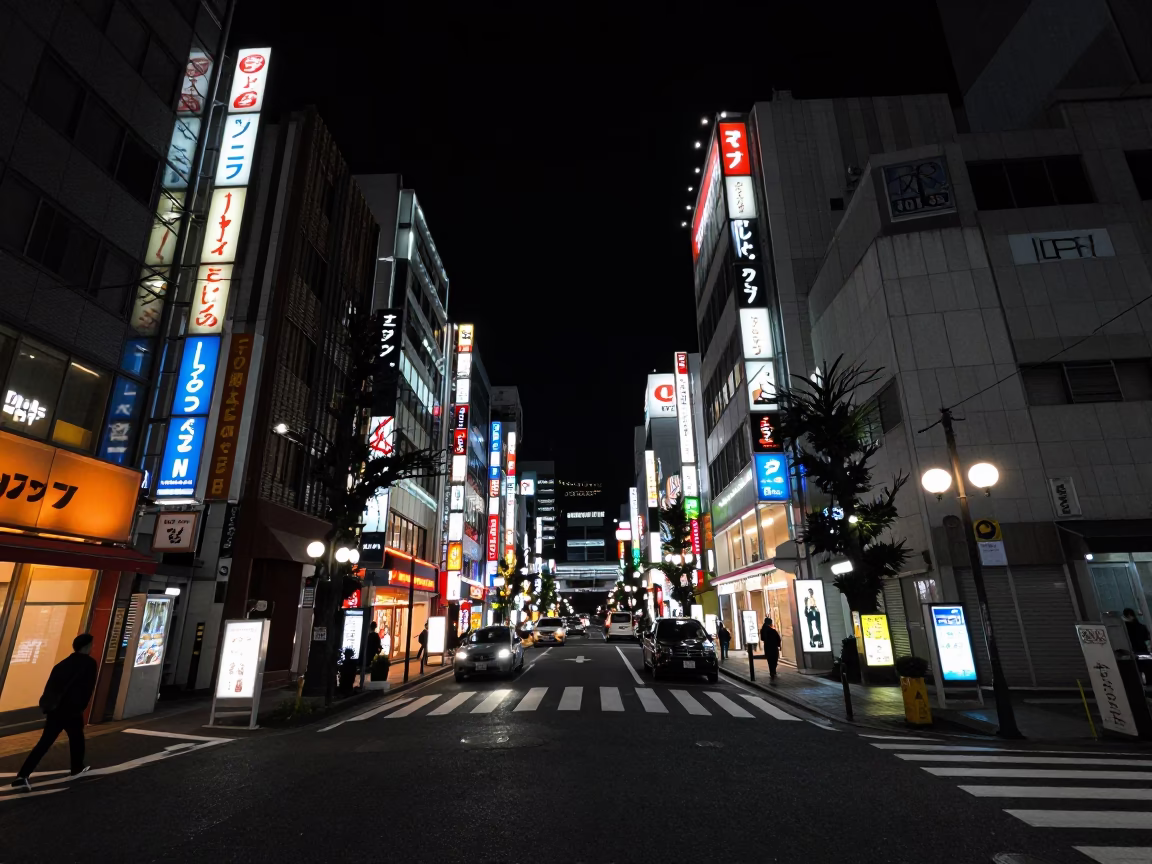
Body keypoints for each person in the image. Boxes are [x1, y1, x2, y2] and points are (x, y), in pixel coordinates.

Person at [10, 633, 98, 792]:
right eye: (92, 645)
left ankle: (22, 775)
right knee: (77, 738)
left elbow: (51, 687)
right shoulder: (89, 664)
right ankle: (77, 767)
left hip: (56, 710)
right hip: (72, 710)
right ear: (87, 646)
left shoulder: (62, 664)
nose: (93, 647)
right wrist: (80, 707)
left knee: (44, 742)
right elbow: (87, 689)